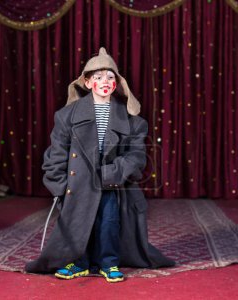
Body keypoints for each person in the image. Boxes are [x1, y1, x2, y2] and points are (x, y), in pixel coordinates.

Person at [25, 47, 174, 283]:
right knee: (78, 223)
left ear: (117, 83)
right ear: (87, 81)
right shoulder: (67, 116)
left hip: (111, 182)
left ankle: (109, 262)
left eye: (110, 77)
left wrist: (111, 173)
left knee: (108, 222)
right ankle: (78, 262)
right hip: (77, 183)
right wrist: (61, 185)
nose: (105, 81)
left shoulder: (133, 121)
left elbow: (137, 157)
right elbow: (56, 153)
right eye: (98, 76)